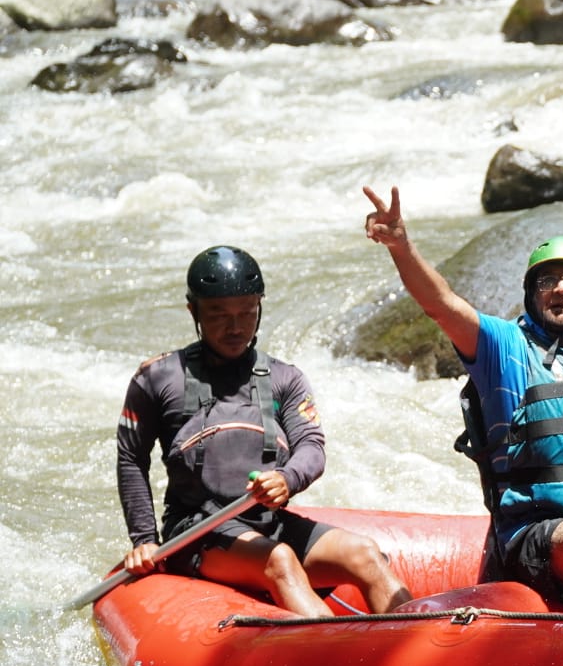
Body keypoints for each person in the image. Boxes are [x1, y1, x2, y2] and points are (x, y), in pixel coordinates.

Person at [362, 186, 563, 608]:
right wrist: (401, 245)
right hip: (536, 540)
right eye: (548, 280)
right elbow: (441, 304)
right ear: (531, 294)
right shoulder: (503, 347)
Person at [116, 245, 412, 617]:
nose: (236, 327)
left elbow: (311, 446)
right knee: (281, 561)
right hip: (197, 534)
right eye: (219, 314)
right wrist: (144, 540)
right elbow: (131, 458)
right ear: (194, 311)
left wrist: (287, 479)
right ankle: (335, 657)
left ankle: (418, 655)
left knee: (365, 554)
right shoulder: (157, 378)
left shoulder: (285, 378)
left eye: (247, 312)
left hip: (266, 523)